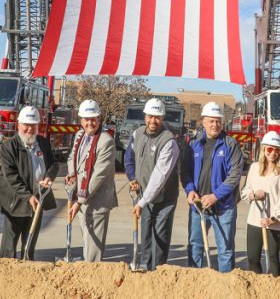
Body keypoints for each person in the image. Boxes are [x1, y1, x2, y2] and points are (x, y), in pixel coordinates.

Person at [181, 101, 244, 273]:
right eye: (211, 121)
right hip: (198, 206)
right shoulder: (193, 144)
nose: (215, 124)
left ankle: (225, 286)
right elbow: (185, 172)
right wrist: (190, 190)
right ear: (203, 121)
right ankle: (196, 283)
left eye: (218, 121)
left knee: (225, 250)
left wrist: (215, 196)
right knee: (195, 246)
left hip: (223, 208)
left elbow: (234, 176)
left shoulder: (231, 144)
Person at [124, 98, 181, 271]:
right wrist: (133, 178)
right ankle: (144, 269)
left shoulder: (169, 142)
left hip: (164, 198)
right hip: (144, 194)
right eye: (150, 116)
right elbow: (129, 158)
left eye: (157, 117)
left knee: (160, 238)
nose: (153, 121)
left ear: (162, 118)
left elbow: (159, 177)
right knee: (146, 234)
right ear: (145, 116)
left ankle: (158, 272)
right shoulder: (138, 133)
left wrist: (141, 202)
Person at [0, 105, 57, 260]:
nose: (30, 129)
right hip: (15, 203)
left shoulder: (43, 143)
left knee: (29, 245)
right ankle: (6, 272)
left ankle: (28, 270)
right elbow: (10, 176)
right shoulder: (9, 146)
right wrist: (28, 196)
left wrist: (49, 177)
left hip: (38, 200)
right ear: (19, 125)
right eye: (26, 125)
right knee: (9, 248)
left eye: (33, 125)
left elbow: (53, 164)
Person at [65, 99, 117, 262]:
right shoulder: (80, 135)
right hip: (80, 198)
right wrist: (72, 174)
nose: (90, 123)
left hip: (97, 201)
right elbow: (72, 157)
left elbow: (97, 176)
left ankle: (93, 281)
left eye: (93, 119)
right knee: (86, 242)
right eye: (86, 119)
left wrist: (79, 201)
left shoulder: (106, 141)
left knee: (93, 250)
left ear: (100, 119)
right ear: (81, 120)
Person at [241, 131, 280, 276]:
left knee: (273, 259)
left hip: (275, 223)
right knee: (252, 257)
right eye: (270, 149)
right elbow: (245, 191)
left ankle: (273, 290)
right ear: (263, 149)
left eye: (277, 150)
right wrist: (253, 195)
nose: (273, 153)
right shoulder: (254, 168)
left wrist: (273, 219)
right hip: (255, 220)